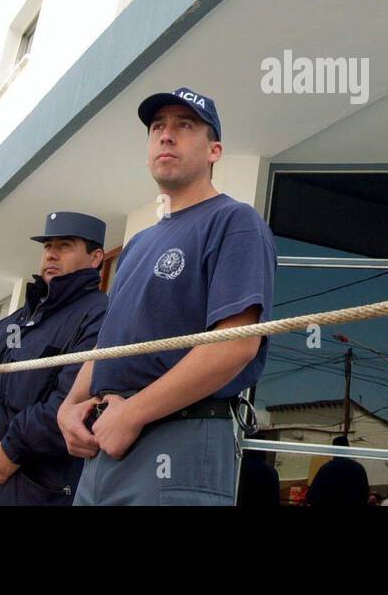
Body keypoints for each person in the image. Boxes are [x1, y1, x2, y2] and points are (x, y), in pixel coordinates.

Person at [57, 87, 276, 506]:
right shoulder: (138, 244)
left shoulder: (235, 221)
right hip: (104, 444)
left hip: (181, 436)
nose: (167, 135)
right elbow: (109, 346)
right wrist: (69, 407)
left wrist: (134, 413)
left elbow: (235, 346)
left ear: (215, 150)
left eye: (184, 125)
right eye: (158, 127)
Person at [0, 212, 109, 506]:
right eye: (47, 246)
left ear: (96, 257)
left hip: (34, 487)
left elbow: (74, 399)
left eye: (65, 246)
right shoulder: (11, 322)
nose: (51, 254)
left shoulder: (99, 314)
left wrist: (15, 446)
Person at [306, 434, 370, 507]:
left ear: (333, 450)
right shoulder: (358, 468)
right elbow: (364, 494)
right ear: (348, 450)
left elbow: (311, 495)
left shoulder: (326, 469)